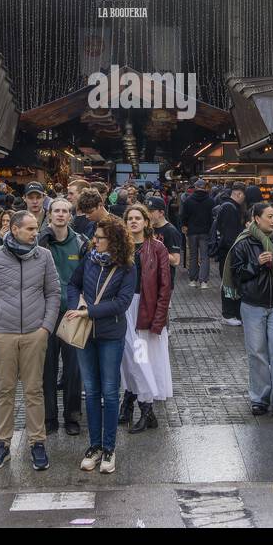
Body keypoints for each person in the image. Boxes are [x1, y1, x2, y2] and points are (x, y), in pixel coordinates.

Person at [0, 210, 61, 471]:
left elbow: (53, 293)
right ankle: (2, 443)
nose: (36, 232)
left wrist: (45, 328)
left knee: (34, 390)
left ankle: (37, 442)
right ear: (14, 229)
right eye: (30, 229)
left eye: (36, 228)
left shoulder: (44, 256)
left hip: (35, 333)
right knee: (5, 390)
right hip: (3, 333)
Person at [65, 217, 136, 473]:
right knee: (92, 391)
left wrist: (89, 312)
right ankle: (94, 446)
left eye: (100, 238)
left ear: (113, 240)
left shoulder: (127, 267)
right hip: (85, 335)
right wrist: (75, 306)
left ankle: (109, 448)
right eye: (95, 237)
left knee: (109, 391)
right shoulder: (90, 259)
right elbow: (72, 284)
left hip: (110, 334)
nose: (95, 241)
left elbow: (122, 302)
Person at [229, 203, 273, 418]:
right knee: (257, 352)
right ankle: (259, 398)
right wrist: (256, 264)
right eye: (269, 217)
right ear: (256, 218)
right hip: (253, 304)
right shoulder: (243, 242)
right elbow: (237, 275)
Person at [118, 205, 175, 433]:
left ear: (145, 222)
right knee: (128, 360)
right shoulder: (121, 248)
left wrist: (158, 318)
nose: (133, 222)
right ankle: (131, 402)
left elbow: (165, 285)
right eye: (129, 218)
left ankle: (146, 409)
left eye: (137, 218)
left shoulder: (157, 248)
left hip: (145, 311)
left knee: (141, 360)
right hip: (124, 309)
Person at [38, 198, 87, 435]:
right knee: (46, 368)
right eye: (56, 210)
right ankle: (49, 417)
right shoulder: (38, 242)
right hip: (44, 314)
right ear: (49, 215)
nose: (60, 214)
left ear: (71, 216)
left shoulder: (80, 242)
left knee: (73, 369)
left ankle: (72, 416)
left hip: (72, 313)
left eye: (64, 211)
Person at [210, 183, 248, 325]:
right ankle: (228, 314)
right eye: (244, 196)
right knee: (229, 282)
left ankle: (232, 314)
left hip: (228, 251)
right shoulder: (230, 208)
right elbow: (230, 235)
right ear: (239, 194)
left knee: (231, 281)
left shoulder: (227, 206)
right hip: (229, 253)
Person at [179, 178, 216, 289]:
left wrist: (185, 225)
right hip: (205, 232)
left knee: (193, 256)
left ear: (195, 187)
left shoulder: (188, 200)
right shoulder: (210, 201)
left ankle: (193, 280)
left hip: (192, 232)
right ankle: (204, 281)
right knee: (205, 257)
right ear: (205, 187)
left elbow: (183, 216)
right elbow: (212, 218)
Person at [145, 197, 183, 274]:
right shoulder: (148, 228)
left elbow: (175, 261)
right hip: (149, 277)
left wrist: (155, 249)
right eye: (146, 211)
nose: (147, 214)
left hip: (163, 279)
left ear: (161, 213)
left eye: (151, 211)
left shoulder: (171, 231)